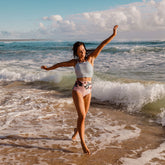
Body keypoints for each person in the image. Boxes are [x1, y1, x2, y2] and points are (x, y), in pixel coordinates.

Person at [41, 25, 118, 154]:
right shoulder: (74, 62)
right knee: (81, 116)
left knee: (83, 117)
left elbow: (102, 44)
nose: (82, 52)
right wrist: (48, 68)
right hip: (77, 89)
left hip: (89, 90)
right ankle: (83, 143)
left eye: (83, 50)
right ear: (76, 52)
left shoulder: (91, 58)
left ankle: (76, 130)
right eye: (79, 50)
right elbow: (60, 64)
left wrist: (114, 34)